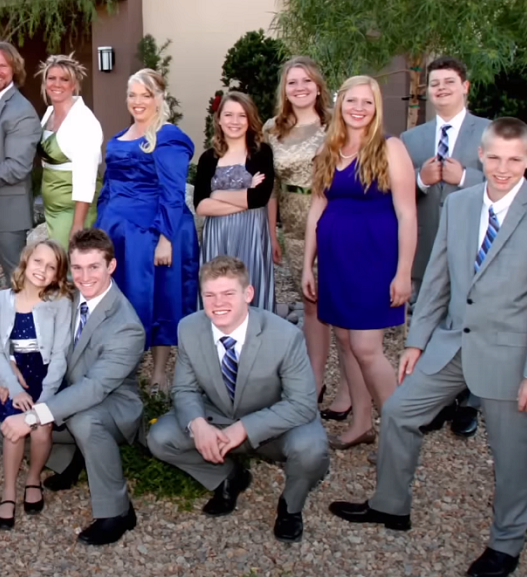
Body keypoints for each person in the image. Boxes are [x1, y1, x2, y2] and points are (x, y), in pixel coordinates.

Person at [330, 118, 527, 577]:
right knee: (399, 412)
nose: (502, 167)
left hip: (509, 356)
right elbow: (437, 278)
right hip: (451, 343)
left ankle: (506, 545)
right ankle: (391, 505)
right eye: (494, 157)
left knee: (511, 454)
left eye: (514, 159)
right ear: (481, 155)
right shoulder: (460, 204)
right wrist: (417, 341)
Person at [147, 256, 328, 543]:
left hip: (274, 422)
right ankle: (228, 476)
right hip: (218, 414)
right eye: (210, 295)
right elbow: (184, 389)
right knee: (160, 438)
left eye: (228, 293)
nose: (218, 303)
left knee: (311, 449)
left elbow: (302, 404)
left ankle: (291, 506)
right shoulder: (189, 328)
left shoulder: (286, 336)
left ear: (248, 294)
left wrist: (244, 428)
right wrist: (198, 424)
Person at [0, 228, 145, 546]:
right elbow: (25, 333)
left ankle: (117, 512)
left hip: (108, 403)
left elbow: (94, 388)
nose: (84, 277)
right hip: (61, 393)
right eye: (77, 268)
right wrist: (10, 370)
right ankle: (73, 458)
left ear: (111, 266)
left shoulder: (126, 325)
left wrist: (33, 417)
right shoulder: (65, 295)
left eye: (94, 267)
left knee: (83, 420)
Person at [301, 76, 417, 451]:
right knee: (345, 340)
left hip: (374, 261)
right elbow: (317, 207)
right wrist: (307, 265)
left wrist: (403, 272)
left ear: (376, 107)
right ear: (340, 104)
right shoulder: (330, 147)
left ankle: (400, 434)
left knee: (367, 348)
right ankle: (362, 423)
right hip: (336, 263)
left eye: (367, 102)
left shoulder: (389, 148)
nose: (359, 108)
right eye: (352, 101)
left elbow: (407, 214)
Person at [399, 56, 490, 439]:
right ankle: (436, 398)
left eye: (449, 82)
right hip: (427, 244)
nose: (441, 89)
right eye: (435, 83)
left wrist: (465, 177)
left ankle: (470, 400)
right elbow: (400, 193)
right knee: (430, 318)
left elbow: (507, 184)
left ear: (465, 86)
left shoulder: (489, 132)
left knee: (473, 322)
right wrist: (421, 179)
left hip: (476, 246)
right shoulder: (412, 139)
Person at [95, 68, 198, 392]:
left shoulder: (168, 137)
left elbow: (173, 191)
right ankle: (122, 368)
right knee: (122, 299)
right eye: (132, 95)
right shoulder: (118, 137)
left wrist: (165, 238)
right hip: (118, 233)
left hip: (153, 233)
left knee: (160, 298)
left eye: (146, 95)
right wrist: (100, 230)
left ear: (160, 98)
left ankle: (159, 373)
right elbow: (108, 187)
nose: (138, 101)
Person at [264, 57, 343, 418]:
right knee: (311, 305)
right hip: (294, 229)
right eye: (292, 82)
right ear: (284, 89)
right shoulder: (273, 129)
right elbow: (271, 187)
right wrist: (272, 233)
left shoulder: (335, 124)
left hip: (332, 220)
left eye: (306, 81)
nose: (300, 88)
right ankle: (315, 379)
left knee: (341, 308)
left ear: (318, 86)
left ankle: (349, 389)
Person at [0, 240, 73, 529]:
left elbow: (59, 355)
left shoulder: (59, 303)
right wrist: (11, 384)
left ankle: (33, 478)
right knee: (13, 425)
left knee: (41, 428)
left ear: (58, 274)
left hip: (46, 377)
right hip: (15, 377)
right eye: (38, 261)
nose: (42, 270)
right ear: (26, 259)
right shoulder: (1, 300)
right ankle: (9, 490)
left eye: (51, 267)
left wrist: (45, 399)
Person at [194, 91, 277, 312]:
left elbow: (259, 199)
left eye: (242, 115)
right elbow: (201, 206)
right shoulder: (208, 158)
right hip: (217, 235)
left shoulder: (261, 153)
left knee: (250, 286)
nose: (235, 121)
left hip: (252, 232)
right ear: (219, 119)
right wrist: (245, 194)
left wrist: (217, 195)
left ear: (250, 120)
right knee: (218, 289)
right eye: (229, 115)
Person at [0, 41, 42, 280]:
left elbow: (17, 167)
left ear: (14, 69)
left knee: (19, 278)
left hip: (7, 207)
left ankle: (30, 307)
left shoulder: (23, 110)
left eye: (3, 66)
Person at [37, 54, 103, 247]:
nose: (57, 84)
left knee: (69, 259)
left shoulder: (84, 121)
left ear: (73, 84)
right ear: (45, 82)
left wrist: (78, 224)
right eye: (52, 78)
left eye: (64, 79)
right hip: (52, 205)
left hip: (73, 208)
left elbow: (86, 177)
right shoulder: (48, 113)